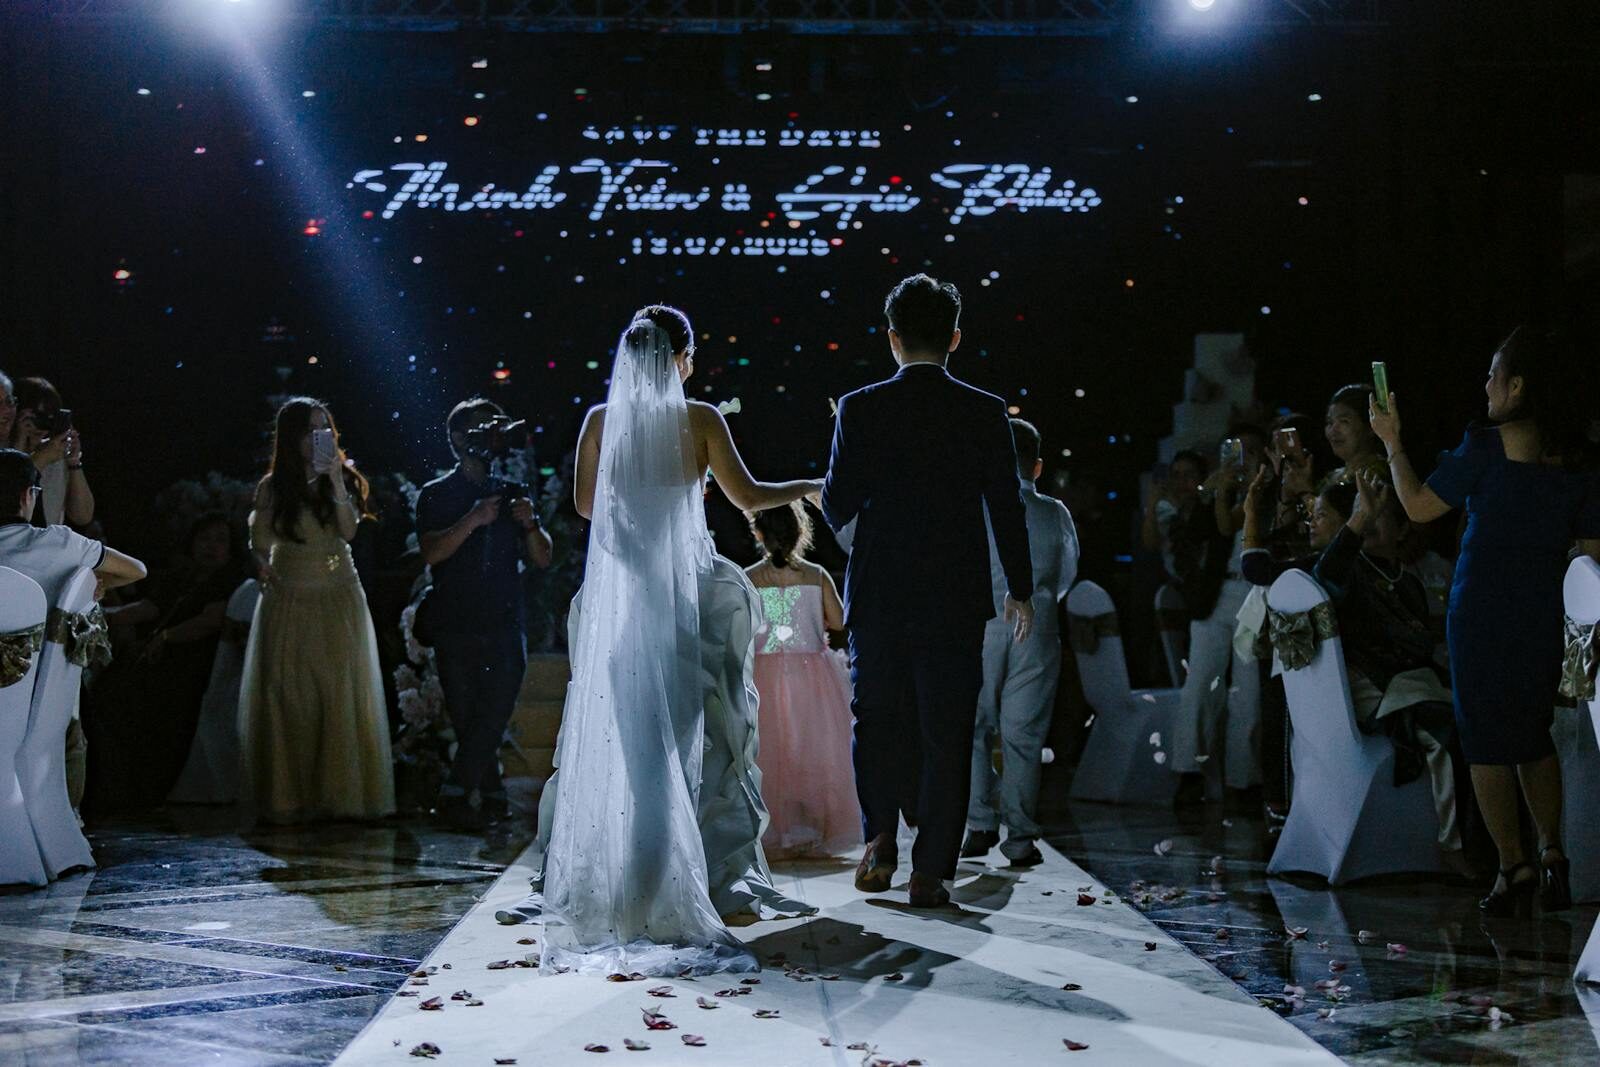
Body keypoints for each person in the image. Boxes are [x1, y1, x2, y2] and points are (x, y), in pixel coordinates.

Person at [539, 305, 820, 975]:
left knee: (638, 767)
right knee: (683, 760)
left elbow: (584, 505)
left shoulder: (601, 423)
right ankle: (661, 897)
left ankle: (630, 897)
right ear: (682, 358)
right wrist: (809, 483)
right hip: (680, 615)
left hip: (625, 611)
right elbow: (749, 496)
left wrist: (635, 520)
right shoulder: (701, 420)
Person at [821, 274, 1034, 909]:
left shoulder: (860, 407)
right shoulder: (984, 410)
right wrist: (1019, 588)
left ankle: (880, 835)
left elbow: (835, 505)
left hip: (880, 592)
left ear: (891, 339)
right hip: (953, 595)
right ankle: (931, 872)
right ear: (955, 338)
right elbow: (1007, 506)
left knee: (876, 718)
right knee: (948, 730)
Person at [1371, 326, 1600, 914]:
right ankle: (1552, 855)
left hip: (1481, 607)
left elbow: (1419, 507)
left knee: (1485, 740)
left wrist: (1392, 443)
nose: (1487, 383)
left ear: (1518, 385)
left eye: (1495, 372)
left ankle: (1512, 868)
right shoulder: (1580, 458)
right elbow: (1591, 553)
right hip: (1544, 609)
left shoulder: (1488, 444)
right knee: (1531, 731)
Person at [238, 399, 395, 826]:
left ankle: (341, 798)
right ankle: (290, 798)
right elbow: (260, 540)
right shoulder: (272, 487)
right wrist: (261, 561)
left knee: (339, 689)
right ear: (291, 437)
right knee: (289, 692)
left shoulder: (341, 479)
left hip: (338, 590)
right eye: (309, 430)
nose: (317, 437)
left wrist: (335, 481)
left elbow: (349, 531)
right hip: (288, 592)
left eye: (324, 428)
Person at [1314, 470, 1469, 878]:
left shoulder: (1411, 583)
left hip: (1419, 684)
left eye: (1382, 514)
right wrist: (1357, 520)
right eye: (1366, 513)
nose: (1371, 520)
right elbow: (1323, 580)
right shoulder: (1352, 569)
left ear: (1402, 530)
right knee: (1444, 730)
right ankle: (1452, 847)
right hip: (1377, 689)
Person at [415, 398, 553, 829]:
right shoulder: (436, 494)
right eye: (480, 427)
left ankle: (455, 795)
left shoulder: (513, 492)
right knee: (468, 716)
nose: (491, 435)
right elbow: (433, 552)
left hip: (505, 619)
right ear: (458, 439)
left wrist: (530, 524)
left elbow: (543, 559)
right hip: (455, 620)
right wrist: (474, 518)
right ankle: (491, 796)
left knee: (493, 711)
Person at [961, 419, 1078, 867]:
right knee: (1023, 737)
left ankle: (979, 823)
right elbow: (1067, 573)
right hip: (1039, 626)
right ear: (1039, 465)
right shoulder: (1055, 512)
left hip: (982, 623)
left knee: (972, 727)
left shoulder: (976, 505)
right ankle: (1021, 837)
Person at [84, 512, 246, 810]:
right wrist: (102, 616)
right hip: (161, 656)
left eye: (220, 540)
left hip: (199, 659)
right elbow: (150, 607)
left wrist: (166, 638)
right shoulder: (182, 575)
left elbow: (210, 621)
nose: (211, 546)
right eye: (204, 539)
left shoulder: (230, 580)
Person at [744, 501, 859, 858]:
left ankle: (776, 829)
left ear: (759, 534)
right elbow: (839, 621)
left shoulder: (749, 577)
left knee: (770, 752)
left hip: (764, 674)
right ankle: (812, 827)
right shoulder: (816, 574)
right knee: (815, 750)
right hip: (812, 675)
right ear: (798, 534)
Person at [1168, 425, 1269, 803]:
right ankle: (1187, 774)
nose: (1244, 458)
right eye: (1237, 450)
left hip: (1255, 593)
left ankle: (1243, 782)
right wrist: (1216, 489)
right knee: (1199, 686)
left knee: (1248, 693)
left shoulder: (1270, 493)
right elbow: (1195, 534)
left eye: (1252, 450)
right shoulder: (1216, 490)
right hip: (1216, 594)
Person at [8, 377, 93, 528]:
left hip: (46, 547)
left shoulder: (56, 454)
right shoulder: (5, 454)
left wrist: (73, 461)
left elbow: (83, 516)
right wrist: (19, 445)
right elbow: (9, 501)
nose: (41, 424)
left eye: (49, 417)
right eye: (37, 416)